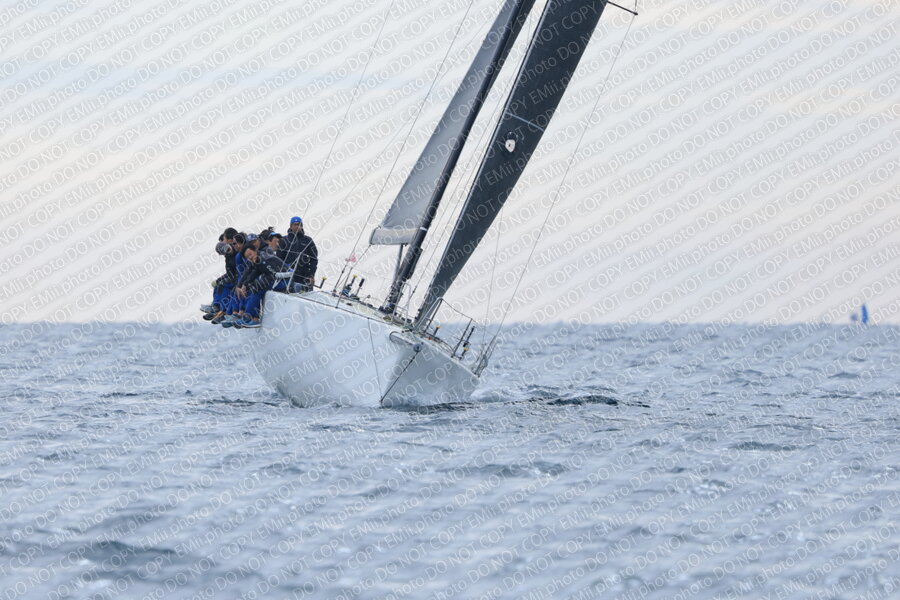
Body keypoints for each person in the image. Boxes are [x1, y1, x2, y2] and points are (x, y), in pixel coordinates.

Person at [231, 244, 281, 328]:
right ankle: (252, 317)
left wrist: (254, 285)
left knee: (256, 289)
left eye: (250, 254)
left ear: (255, 251)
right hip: (275, 279)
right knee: (251, 288)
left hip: (283, 280)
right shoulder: (257, 260)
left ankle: (250, 317)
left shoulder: (264, 259)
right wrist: (244, 285)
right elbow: (254, 273)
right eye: (247, 257)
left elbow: (273, 275)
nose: (250, 257)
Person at [202, 228, 238, 319]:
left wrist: (220, 281)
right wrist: (218, 280)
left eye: (224, 240)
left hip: (239, 278)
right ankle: (216, 307)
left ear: (230, 240)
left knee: (222, 285)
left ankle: (218, 307)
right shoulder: (229, 256)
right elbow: (229, 273)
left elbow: (235, 272)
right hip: (234, 277)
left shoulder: (236, 251)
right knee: (219, 284)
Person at [278, 216, 317, 292]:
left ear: (302, 226)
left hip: (304, 275)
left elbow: (314, 258)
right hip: (288, 275)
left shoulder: (308, 240)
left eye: (299, 224)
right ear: (291, 226)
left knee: (305, 294)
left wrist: (311, 274)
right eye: (295, 224)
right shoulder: (283, 240)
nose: (297, 226)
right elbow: (279, 259)